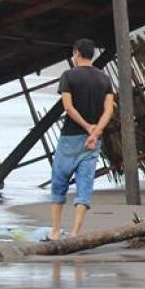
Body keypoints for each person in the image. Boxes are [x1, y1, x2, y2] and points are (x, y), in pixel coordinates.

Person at [48, 39, 115, 240]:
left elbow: (68, 107)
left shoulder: (68, 76)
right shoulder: (104, 79)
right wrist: (94, 133)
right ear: (92, 54)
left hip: (70, 137)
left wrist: (86, 127)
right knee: (84, 185)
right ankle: (76, 233)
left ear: (77, 53)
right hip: (92, 141)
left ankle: (56, 231)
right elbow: (109, 110)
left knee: (59, 182)